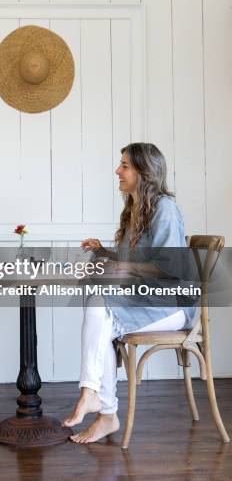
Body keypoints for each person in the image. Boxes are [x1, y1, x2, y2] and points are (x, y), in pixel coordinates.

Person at [62, 142, 196, 443]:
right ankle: (99, 405)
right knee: (99, 308)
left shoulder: (165, 210)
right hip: (148, 301)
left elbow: (170, 270)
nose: (117, 171)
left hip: (173, 306)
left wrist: (123, 271)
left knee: (100, 307)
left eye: (125, 165)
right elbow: (134, 262)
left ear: (144, 171)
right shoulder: (134, 210)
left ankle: (99, 402)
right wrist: (105, 252)